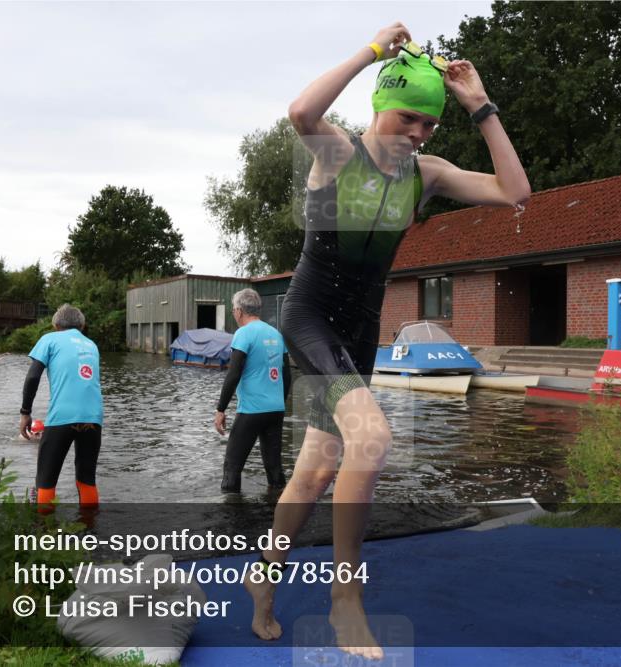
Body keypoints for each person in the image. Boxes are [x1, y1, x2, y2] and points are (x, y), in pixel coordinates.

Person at [243, 22, 530, 659]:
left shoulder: (425, 175)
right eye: (407, 119)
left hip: (359, 331)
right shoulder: (338, 152)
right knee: (371, 438)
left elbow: (515, 192)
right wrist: (373, 50)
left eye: (428, 126)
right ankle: (346, 598)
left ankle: (262, 574)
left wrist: (479, 107)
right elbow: (300, 109)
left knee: (316, 469)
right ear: (379, 106)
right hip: (310, 316)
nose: (418, 134)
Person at [19, 303, 104, 507]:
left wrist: (25, 413)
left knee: (46, 480)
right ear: (82, 326)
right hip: (93, 418)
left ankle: (45, 532)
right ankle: (89, 532)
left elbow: (32, 377)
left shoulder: (49, 339)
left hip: (62, 418)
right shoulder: (91, 344)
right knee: (86, 480)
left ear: (56, 325)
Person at [214, 288, 292, 493]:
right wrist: (279, 402)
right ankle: (276, 512)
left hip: (251, 411)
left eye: (233, 310)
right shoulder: (276, 334)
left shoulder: (243, 334)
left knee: (232, 468)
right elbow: (287, 375)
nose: (233, 313)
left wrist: (221, 409)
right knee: (274, 468)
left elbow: (233, 374)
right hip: (276, 410)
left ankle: (232, 517)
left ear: (239, 311)